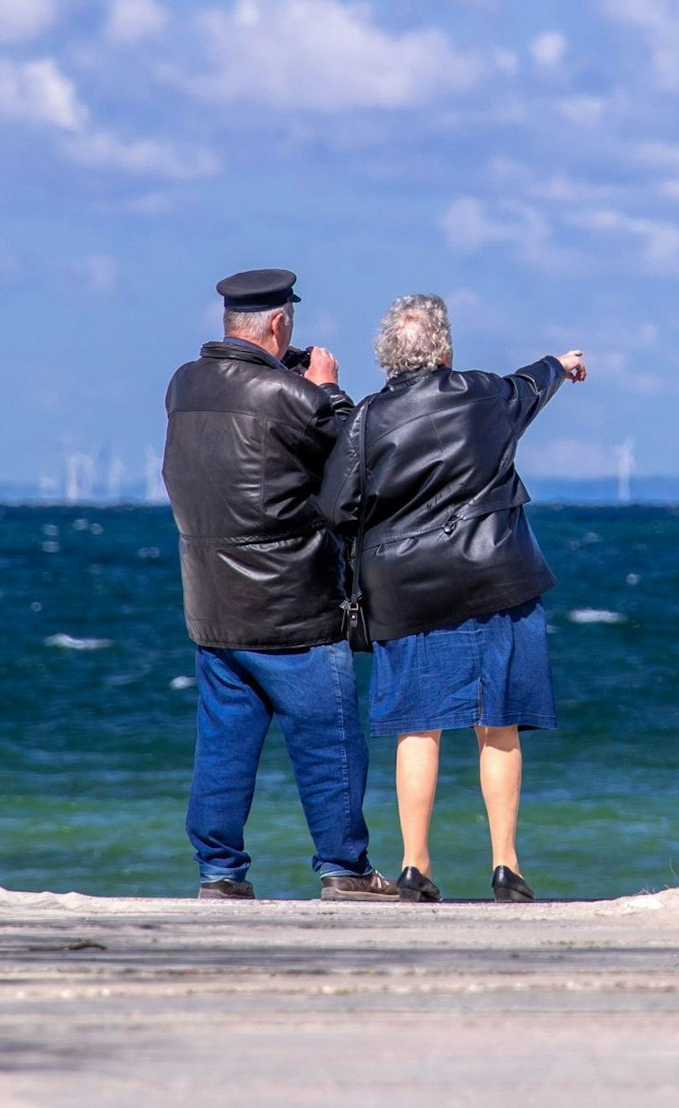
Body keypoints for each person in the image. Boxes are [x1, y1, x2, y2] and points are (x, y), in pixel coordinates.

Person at [321, 293, 586, 903]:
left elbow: (337, 507)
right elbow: (531, 384)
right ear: (443, 349)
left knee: (419, 728)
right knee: (499, 726)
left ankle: (414, 865)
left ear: (389, 354)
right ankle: (505, 866)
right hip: (499, 578)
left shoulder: (366, 419)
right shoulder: (485, 393)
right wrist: (562, 363)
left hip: (407, 592)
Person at [162, 268, 398, 902]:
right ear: (279, 323)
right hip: (291, 602)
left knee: (224, 747)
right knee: (329, 744)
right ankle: (344, 869)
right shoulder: (291, 396)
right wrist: (327, 388)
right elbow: (357, 452)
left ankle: (219, 873)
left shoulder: (184, 384)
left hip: (212, 603)